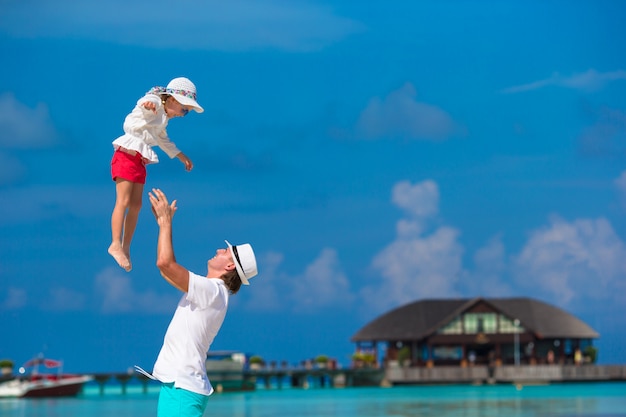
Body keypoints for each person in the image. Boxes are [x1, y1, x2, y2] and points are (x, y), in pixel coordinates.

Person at [145, 188, 258, 417]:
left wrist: (166, 223)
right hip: (181, 386)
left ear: (230, 267)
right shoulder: (212, 292)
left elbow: (165, 264)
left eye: (225, 251)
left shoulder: (214, 291)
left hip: (182, 386)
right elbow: (165, 270)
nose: (218, 250)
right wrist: (161, 225)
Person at [108, 77, 203, 272]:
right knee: (123, 201)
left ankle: (126, 247)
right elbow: (146, 101)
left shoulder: (163, 120)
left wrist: (180, 155)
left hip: (139, 160)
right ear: (174, 100)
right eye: (185, 110)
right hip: (126, 154)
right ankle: (115, 243)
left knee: (136, 205)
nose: (184, 115)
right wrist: (149, 103)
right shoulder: (155, 103)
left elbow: (163, 140)